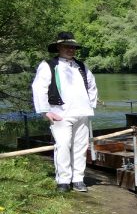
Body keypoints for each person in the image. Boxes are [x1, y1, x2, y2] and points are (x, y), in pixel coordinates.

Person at [31, 32, 98, 192]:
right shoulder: (48, 65)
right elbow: (38, 87)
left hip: (82, 112)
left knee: (81, 147)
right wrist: (45, 111)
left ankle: (78, 179)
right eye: (67, 46)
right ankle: (63, 180)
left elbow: (92, 86)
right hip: (60, 113)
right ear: (59, 47)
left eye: (73, 47)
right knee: (62, 145)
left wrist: (90, 106)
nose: (71, 49)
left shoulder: (81, 66)